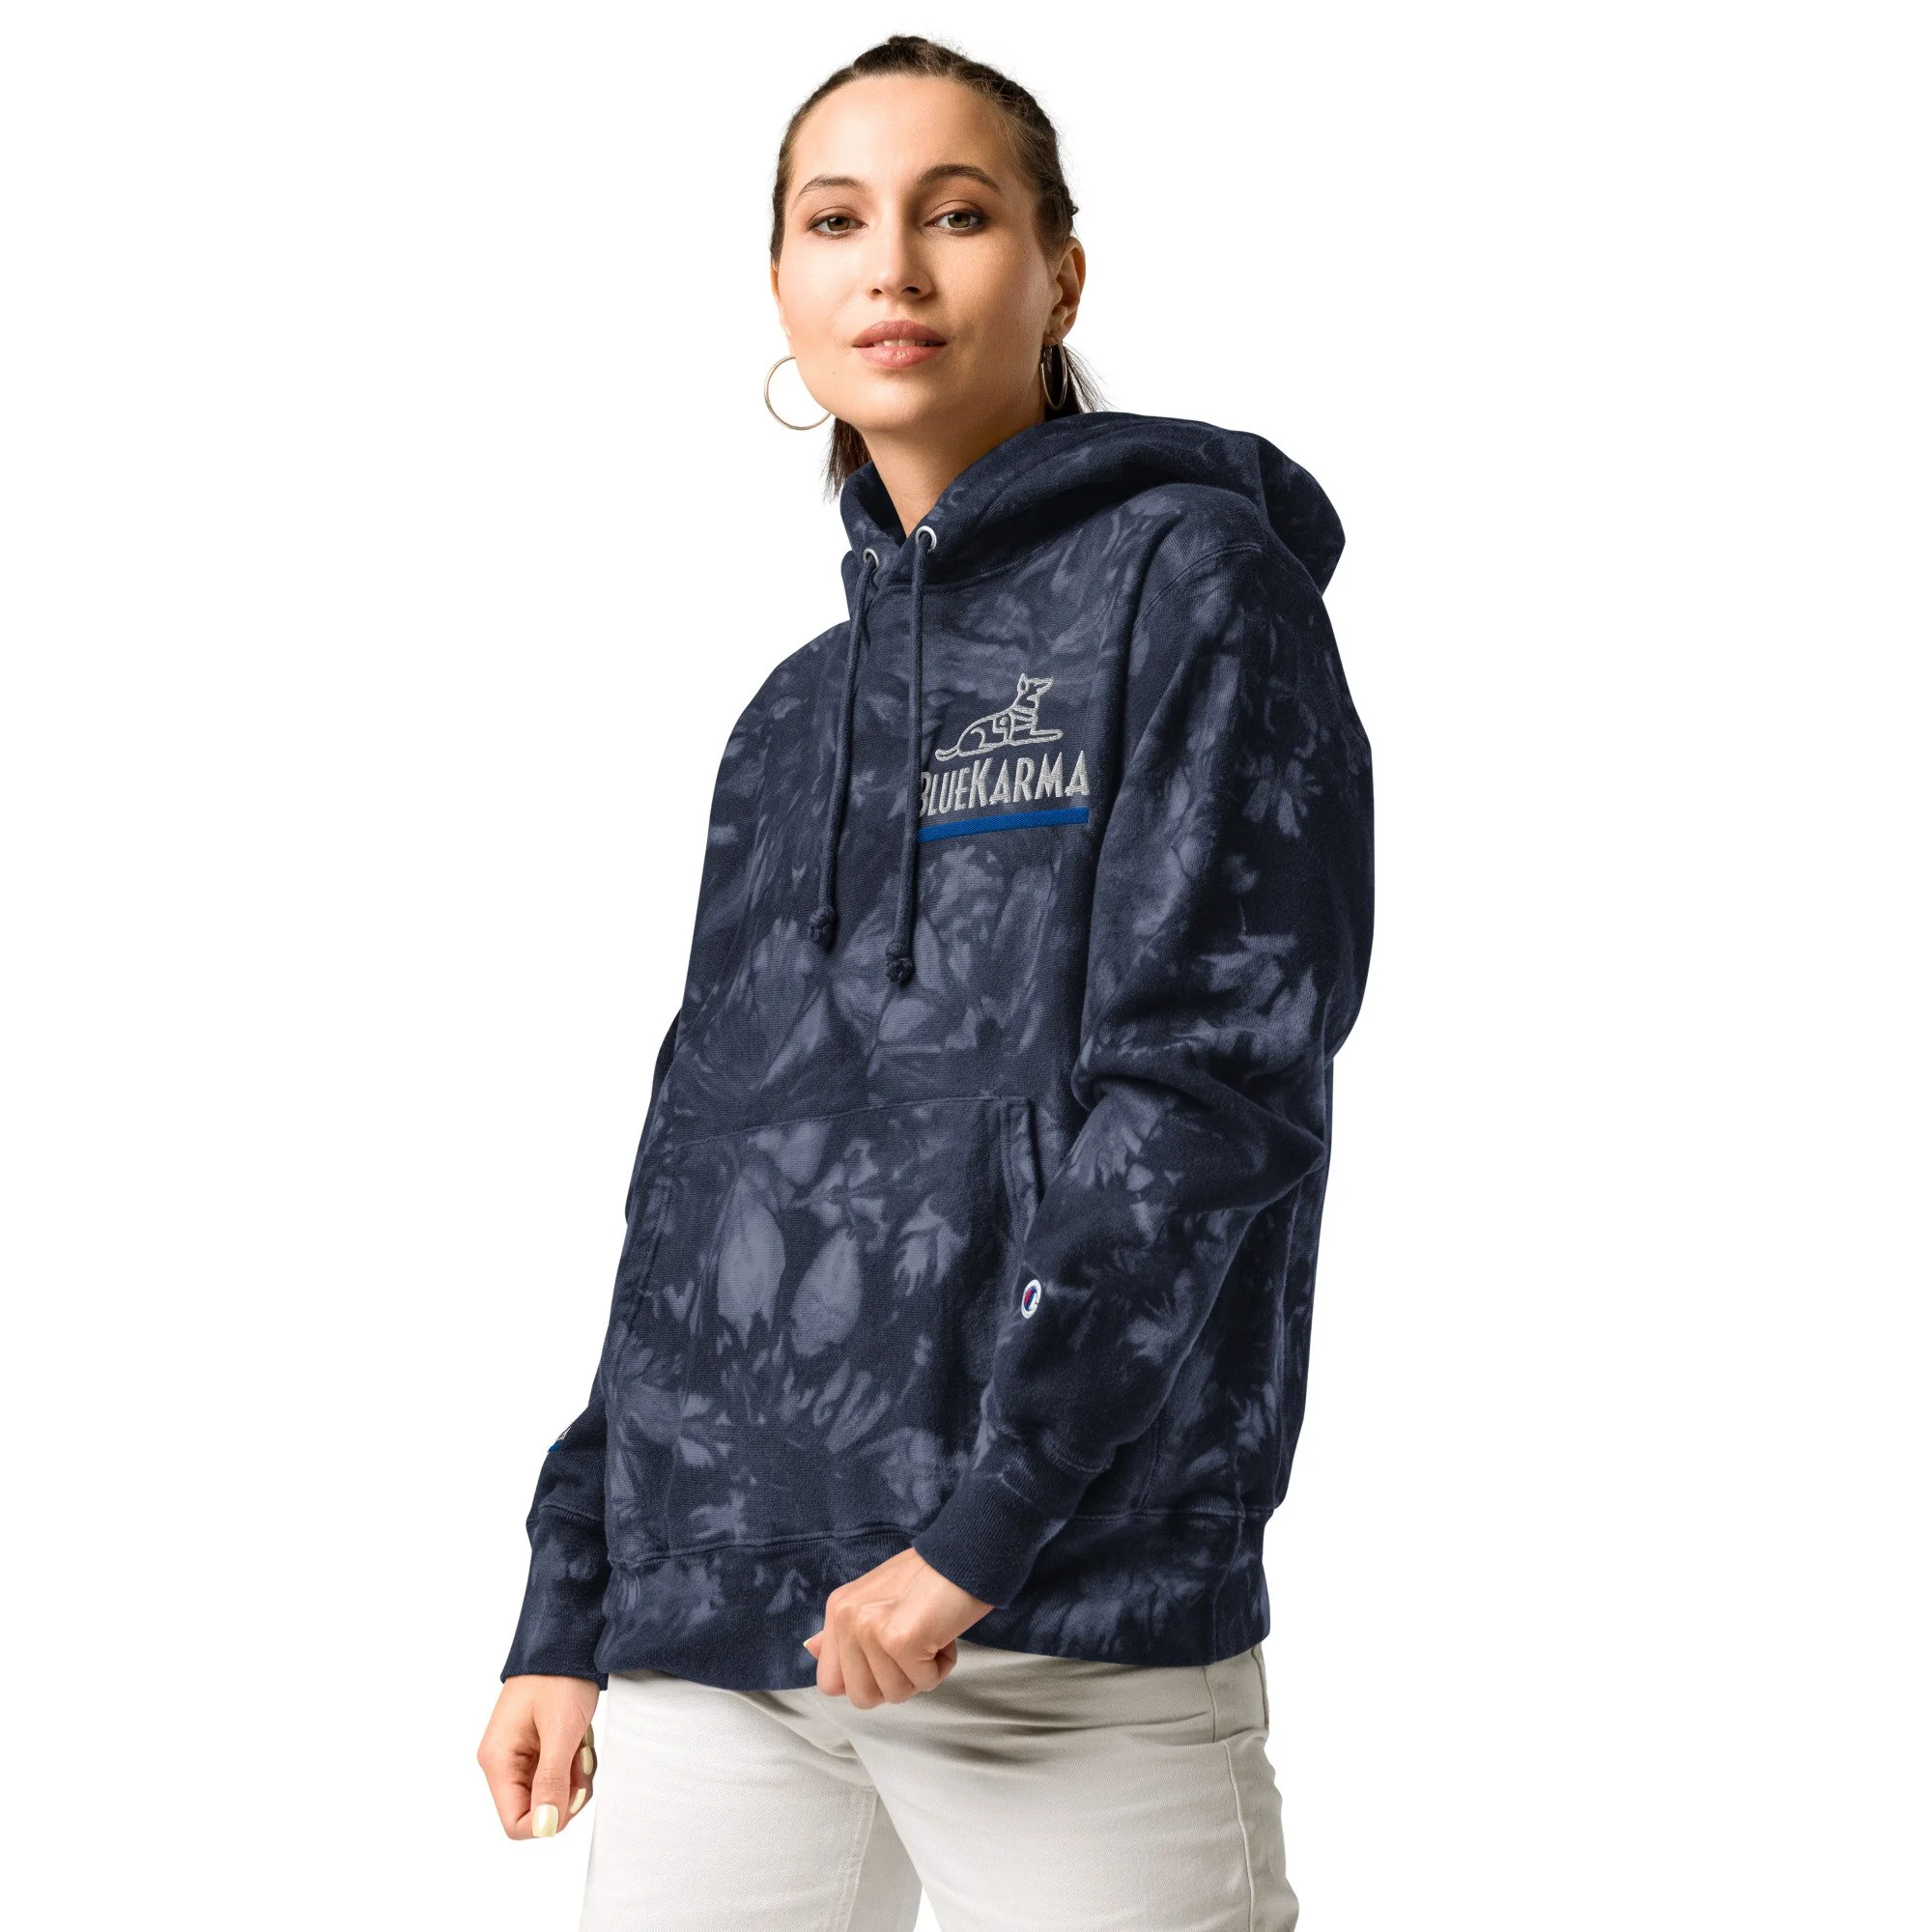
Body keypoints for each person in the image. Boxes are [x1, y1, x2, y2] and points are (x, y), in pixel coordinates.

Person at [476, 32, 1373, 1931]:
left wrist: (986, 1524)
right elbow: (694, 1172)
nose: (889, 266)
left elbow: (1210, 1089)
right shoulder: (788, 722)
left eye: (955, 215)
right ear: (780, 287)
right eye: (835, 221)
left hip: (1053, 1623)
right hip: (721, 1640)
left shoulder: (1191, 587)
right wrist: (577, 1591)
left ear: (1060, 273)